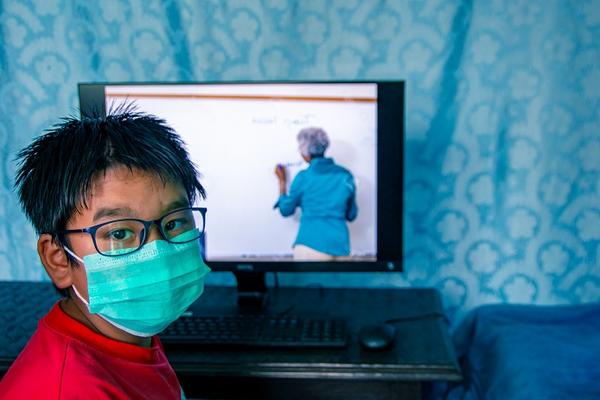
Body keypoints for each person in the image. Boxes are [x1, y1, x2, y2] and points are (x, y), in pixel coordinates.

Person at [0, 108, 210, 399]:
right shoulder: (69, 390)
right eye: (119, 233)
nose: (158, 250)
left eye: (174, 223)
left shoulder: (127, 336)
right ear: (58, 259)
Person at [274, 127, 358, 260]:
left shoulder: (303, 177)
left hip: (310, 246)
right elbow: (351, 215)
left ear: (305, 154)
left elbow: (286, 210)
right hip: (341, 247)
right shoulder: (345, 175)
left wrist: (282, 182)